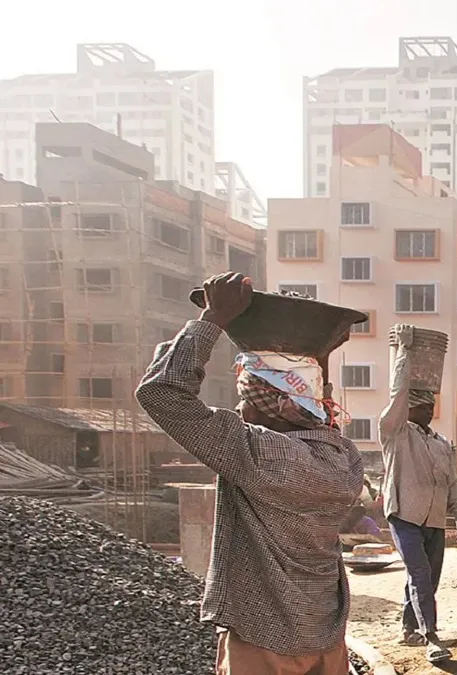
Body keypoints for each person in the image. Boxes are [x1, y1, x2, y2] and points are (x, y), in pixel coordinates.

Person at [136, 272, 363, 674]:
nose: (240, 410)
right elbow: (313, 414)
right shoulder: (345, 457)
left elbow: (161, 393)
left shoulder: (257, 453)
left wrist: (211, 320)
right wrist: (317, 354)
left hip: (265, 641)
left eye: (245, 399)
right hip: (326, 637)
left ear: (269, 405)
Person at [379, 324, 457, 663]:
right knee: (419, 573)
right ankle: (431, 636)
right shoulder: (395, 433)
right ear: (408, 408)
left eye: (431, 406)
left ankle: (409, 628)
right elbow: (398, 394)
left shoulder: (440, 443)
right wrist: (404, 352)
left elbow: (451, 483)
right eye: (421, 406)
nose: (429, 410)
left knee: (427, 578)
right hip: (404, 515)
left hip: (433, 520)